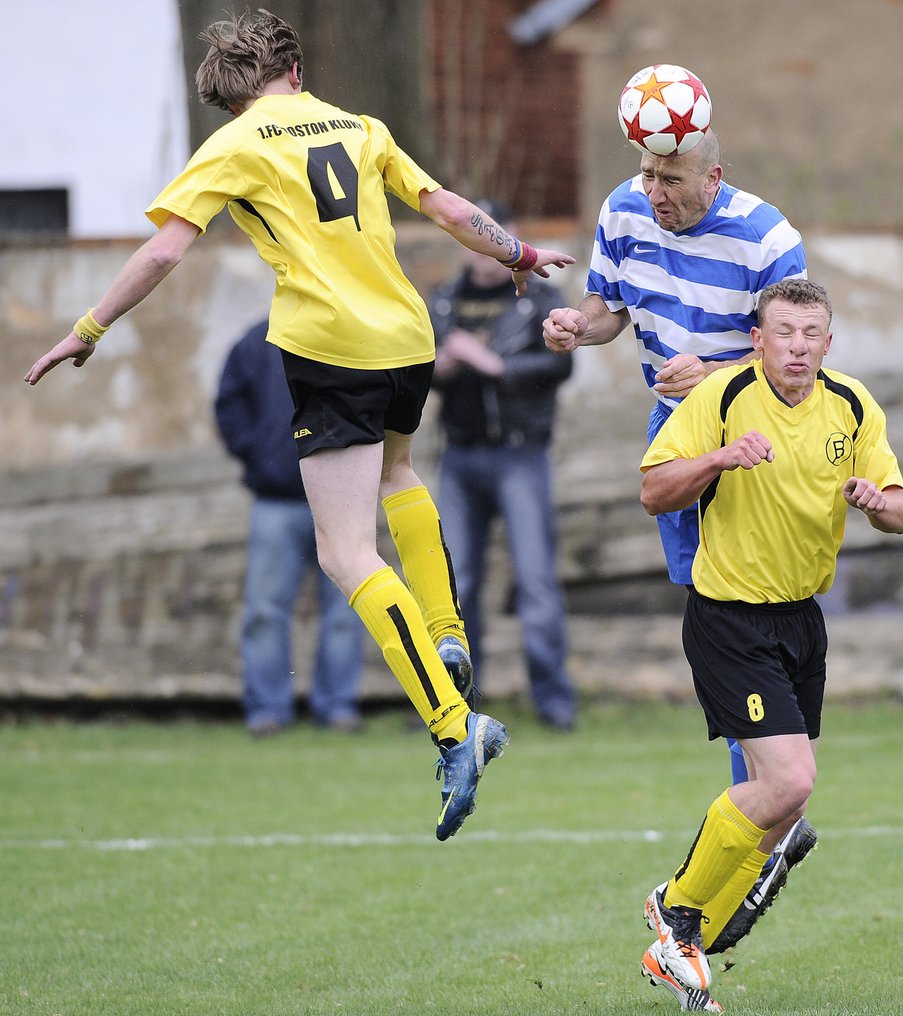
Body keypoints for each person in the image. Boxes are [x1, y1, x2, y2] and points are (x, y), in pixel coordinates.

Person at [24, 9, 575, 842]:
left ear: (237, 92)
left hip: (332, 349)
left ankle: (452, 723)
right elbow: (448, 207)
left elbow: (166, 251)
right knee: (401, 476)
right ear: (295, 68)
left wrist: (90, 328)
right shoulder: (361, 126)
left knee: (344, 552)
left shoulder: (237, 143)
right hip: (407, 336)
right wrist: (521, 256)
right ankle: (447, 634)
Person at [542, 124, 814, 945]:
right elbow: (607, 312)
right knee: (721, 626)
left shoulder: (769, 239)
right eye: (646, 173)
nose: (653, 190)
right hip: (676, 451)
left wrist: (721, 374)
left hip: (749, 454)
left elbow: (795, 359)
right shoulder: (623, 211)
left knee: (740, 627)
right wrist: (573, 328)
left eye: (670, 177)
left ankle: (764, 826)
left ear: (714, 174)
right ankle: (768, 819)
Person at [636, 279, 903, 1012]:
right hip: (728, 615)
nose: (796, 346)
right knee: (789, 782)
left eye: (810, 334)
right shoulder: (721, 399)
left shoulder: (851, 406)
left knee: (784, 801)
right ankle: (677, 915)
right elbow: (655, 490)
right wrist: (719, 460)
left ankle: (696, 936)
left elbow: (902, 511)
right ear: (757, 340)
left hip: (800, 621)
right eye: (782, 332)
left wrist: (877, 504)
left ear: (828, 343)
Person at [429, 198, 577, 731]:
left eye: (497, 235)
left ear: (509, 236)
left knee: (535, 580)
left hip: (520, 454)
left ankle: (554, 702)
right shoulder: (444, 301)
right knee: (455, 585)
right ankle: (457, 709)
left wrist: (494, 365)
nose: (486, 249)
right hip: (460, 455)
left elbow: (560, 365)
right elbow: (416, 365)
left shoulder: (539, 296)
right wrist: (439, 367)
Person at [215, 319, 366, 736]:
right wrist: (260, 456)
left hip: (342, 500)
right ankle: (267, 710)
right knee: (264, 610)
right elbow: (229, 405)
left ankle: (338, 706)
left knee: (348, 609)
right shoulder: (253, 342)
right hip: (276, 500)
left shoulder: (352, 334)